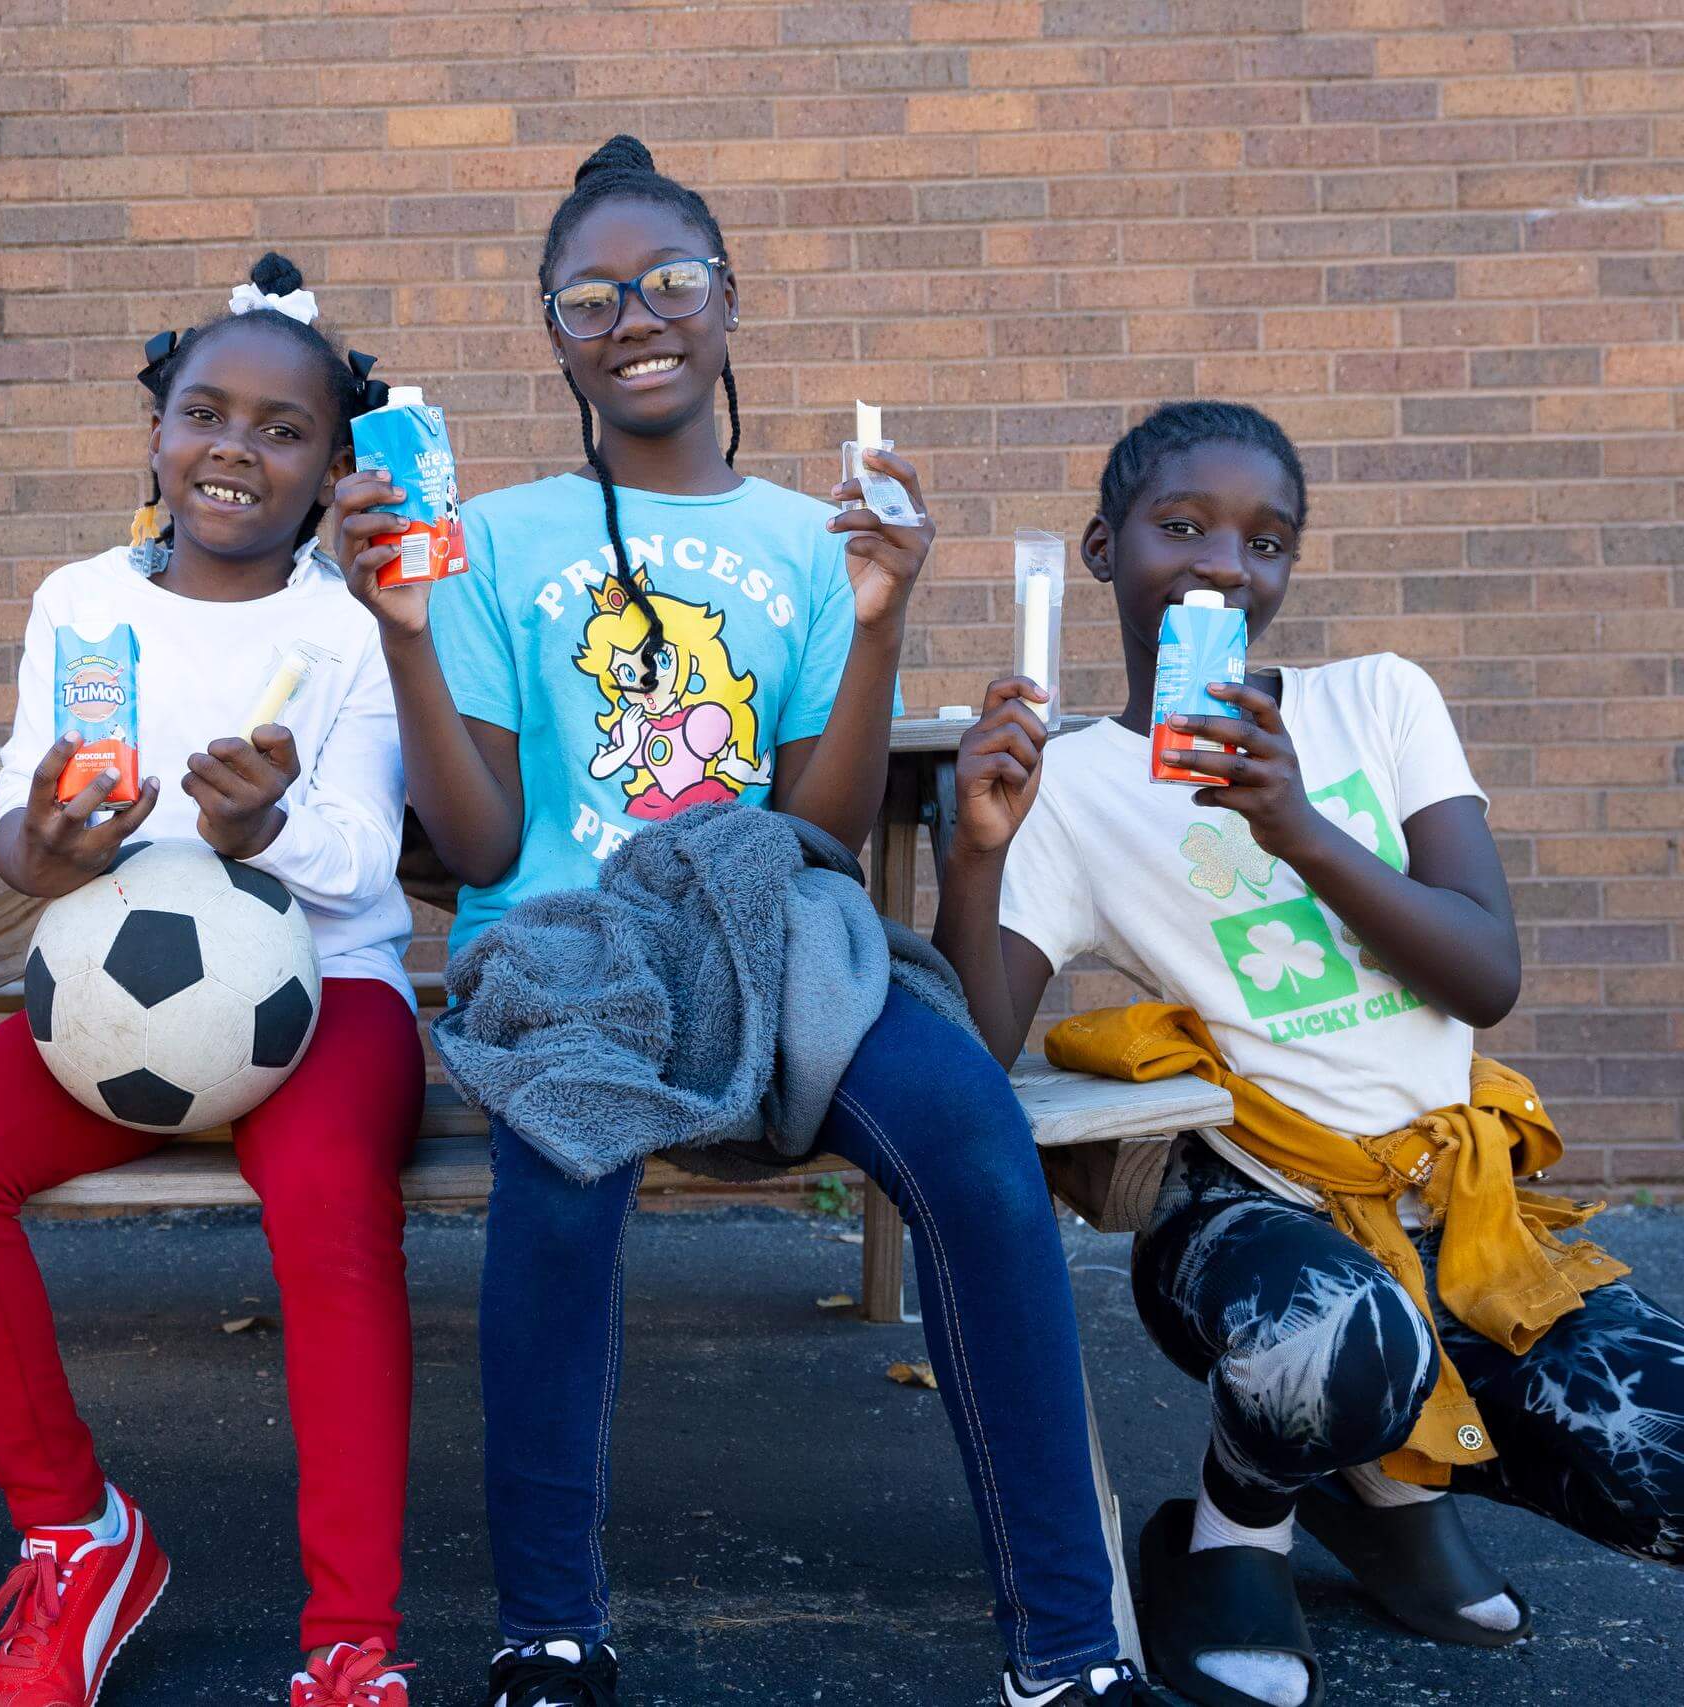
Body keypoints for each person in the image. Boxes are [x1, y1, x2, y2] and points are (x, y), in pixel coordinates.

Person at [334, 136, 1162, 1707]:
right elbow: (487, 839)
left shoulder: (812, 536)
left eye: (671, 283)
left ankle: (1068, 1642)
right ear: (553, 332)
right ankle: (549, 1628)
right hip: (570, 950)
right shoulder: (491, 544)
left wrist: (879, 621)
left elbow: (823, 835)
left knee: (977, 1138)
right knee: (559, 1162)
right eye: (593, 298)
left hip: (773, 938)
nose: (636, 316)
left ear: (730, 304)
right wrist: (404, 639)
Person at [933, 400, 1684, 1707]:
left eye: (1267, 541)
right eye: (1184, 527)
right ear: (1103, 550)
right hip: (1252, 1211)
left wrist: (1305, 835)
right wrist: (983, 846)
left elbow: (1485, 974)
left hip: (1459, 1202)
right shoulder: (1082, 780)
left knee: (1656, 1458)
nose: (1227, 562)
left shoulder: (1375, 702)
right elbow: (975, 1045)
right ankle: (1235, 1532)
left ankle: (1386, 1483)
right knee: (1335, 1339)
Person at [0, 255, 426, 1707]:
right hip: (120, 1002)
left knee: (325, 1200)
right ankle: (78, 1536)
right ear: (157, 432)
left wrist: (267, 826)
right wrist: (48, 845)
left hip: (325, 993)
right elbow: (17, 833)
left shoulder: (350, 627)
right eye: (205, 413)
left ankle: (349, 1643)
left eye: (282, 429)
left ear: (327, 467)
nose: (236, 449)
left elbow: (370, 867)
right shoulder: (80, 602)